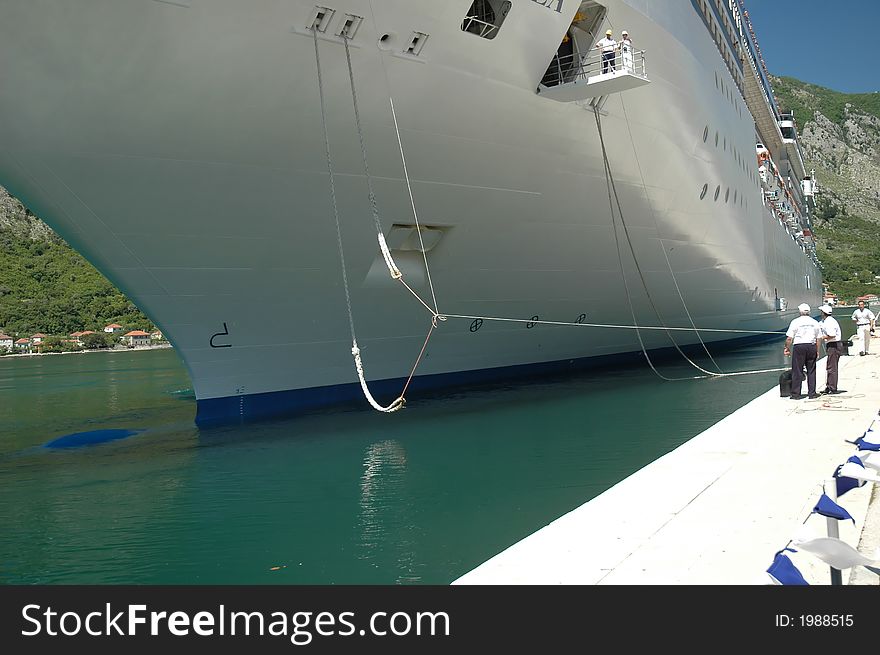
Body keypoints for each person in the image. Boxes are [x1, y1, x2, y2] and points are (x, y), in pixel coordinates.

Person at [783, 303, 821, 400]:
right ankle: (812, 393)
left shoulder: (795, 322)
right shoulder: (814, 322)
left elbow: (789, 338)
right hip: (811, 346)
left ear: (800, 311)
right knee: (811, 370)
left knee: (797, 370)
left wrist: (787, 348)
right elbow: (819, 338)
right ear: (809, 312)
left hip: (799, 346)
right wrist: (817, 350)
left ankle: (796, 394)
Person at [818, 305, 843, 394]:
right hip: (831, 345)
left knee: (832, 367)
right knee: (830, 366)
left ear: (823, 313)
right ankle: (829, 386)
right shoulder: (825, 321)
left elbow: (832, 335)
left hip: (834, 345)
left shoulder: (830, 322)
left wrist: (821, 338)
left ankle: (832, 387)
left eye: (821, 312)